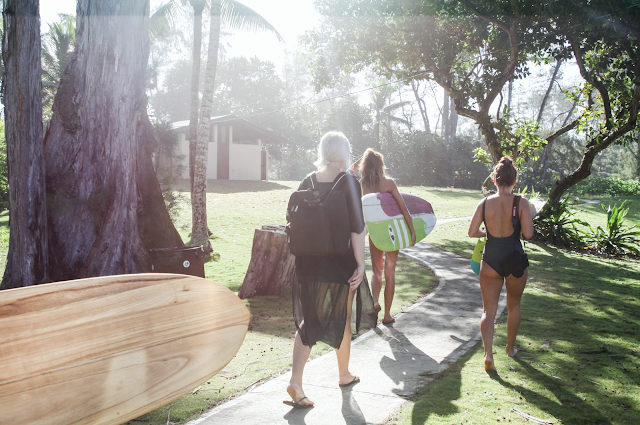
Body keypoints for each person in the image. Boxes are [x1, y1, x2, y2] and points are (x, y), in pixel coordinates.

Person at [286, 132, 377, 408]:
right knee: (343, 315)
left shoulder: (307, 180)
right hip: (339, 262)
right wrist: (361, 264)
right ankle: (343, 374)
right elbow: (357, 226)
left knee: (309, 320)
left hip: (307, 262)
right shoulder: (349, 181)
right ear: (344, 153)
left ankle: (295, 381)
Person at [468, 156, 534, 371]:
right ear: (515, 181)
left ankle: (488, 354)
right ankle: (510, 348)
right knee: (514, 306)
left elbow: (471, 232)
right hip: (515, 259)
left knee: (488, 311)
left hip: (491, 260)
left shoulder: (484, 203)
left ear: (494, 181)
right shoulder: (521, 202)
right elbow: (529, 234)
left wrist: (486, 233)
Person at [359, 148, 416, 325]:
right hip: (393, 233)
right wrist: (412, 231)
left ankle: (375, 302)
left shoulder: (362, 185)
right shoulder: (389, 183)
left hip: (376, 233)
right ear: (380, 165)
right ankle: (387, 315)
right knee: (390, 273)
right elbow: (403, 208)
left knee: (376, 271)